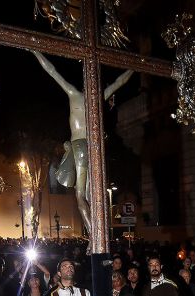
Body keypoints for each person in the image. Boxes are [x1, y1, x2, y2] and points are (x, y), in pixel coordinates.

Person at [31, 50, 133, 233]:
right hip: (96, 147)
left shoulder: (74, 94)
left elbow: (52, 71)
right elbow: (121, 81)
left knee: (80, 196)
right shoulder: (99, 98)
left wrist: (34, 51)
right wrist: (135, 65)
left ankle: (94, 235)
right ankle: (97, 233)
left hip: (80, 147)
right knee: (91, 195)